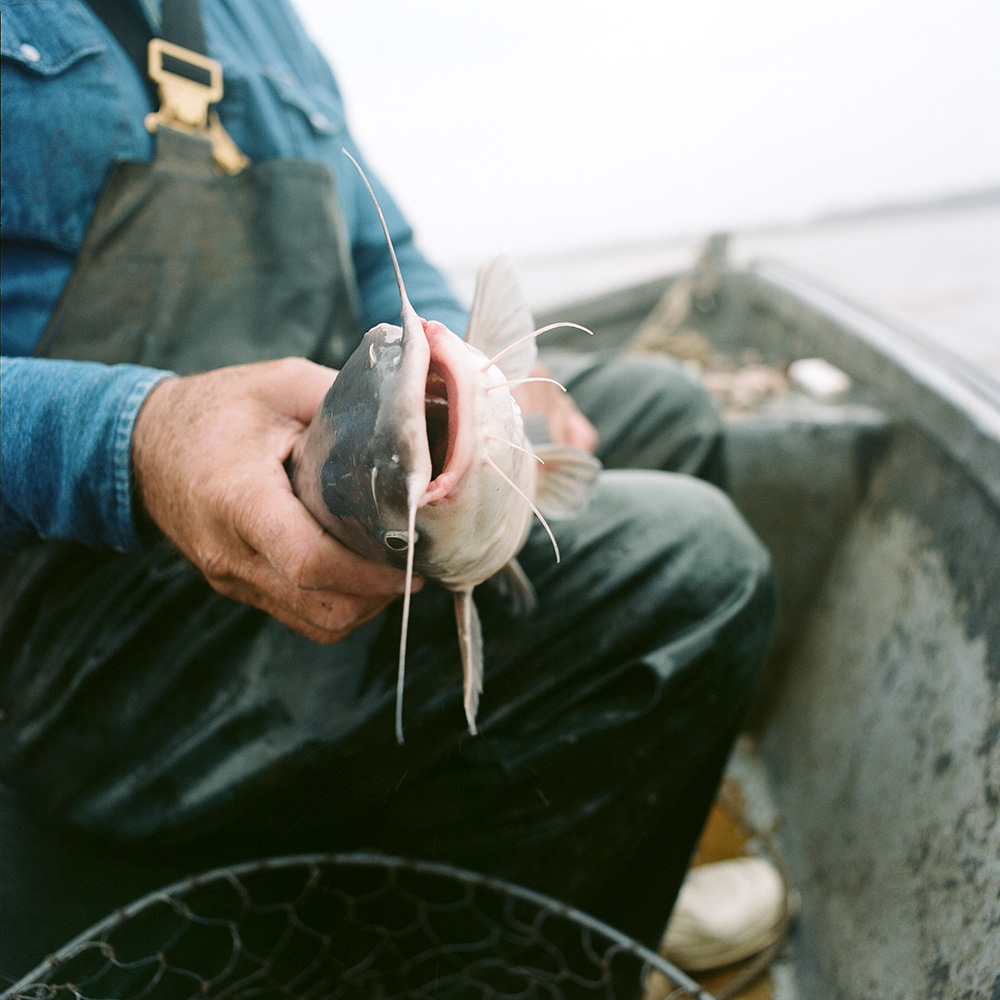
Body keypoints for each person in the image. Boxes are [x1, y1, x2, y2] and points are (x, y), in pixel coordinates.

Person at [0, 0, 776, 981]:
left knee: (666, 408)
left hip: (338, 458)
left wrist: (490, 386)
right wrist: (127, 437)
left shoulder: (260, 20)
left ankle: (555, 871)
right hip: (77, 608)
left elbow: (387, 261)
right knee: (693, 564)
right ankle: (461, 952)